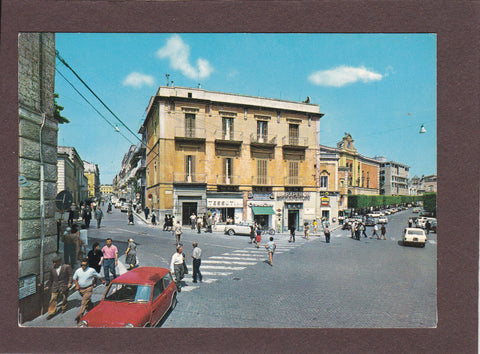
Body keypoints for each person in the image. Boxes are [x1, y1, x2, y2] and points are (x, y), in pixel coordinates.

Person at [73, 259, 105, 323]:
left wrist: (102, 281)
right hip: (81, 289)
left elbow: (98, 276)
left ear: (87, 265)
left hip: (88, 288)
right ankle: (91, 306)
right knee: (87, 300)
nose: (83, 266)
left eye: (84, 265)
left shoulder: (91, 270)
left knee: (84, 302)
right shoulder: (78, 271)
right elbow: (74, 278)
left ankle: (79, 316)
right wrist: (77, 285)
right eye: (82, 265)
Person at [45, 255, 73, 319]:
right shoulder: (52, 269)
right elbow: (50, 279)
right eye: (53, 262)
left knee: (64, 297)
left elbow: (71, 275)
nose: (54, 263)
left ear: (60, 261)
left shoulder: (66, 267)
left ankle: (63, 307)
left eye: (56, 262)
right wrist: (48, 285)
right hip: (55, 287)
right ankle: (51, 312)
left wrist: (70, 282)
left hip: (64, 285)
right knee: (53, 299)